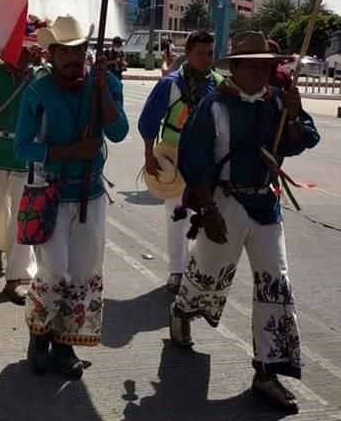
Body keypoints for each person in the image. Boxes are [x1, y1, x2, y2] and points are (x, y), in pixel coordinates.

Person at [170, 31, 320, 414]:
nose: (260, 71)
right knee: (208, 272)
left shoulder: (277, 103)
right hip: (223, 201)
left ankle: (267, 372)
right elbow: (195, 160)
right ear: (234, 67)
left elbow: (301, 141)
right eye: (252, 64)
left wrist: (296, 114)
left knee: (276, 284)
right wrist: (206, 211)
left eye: (266, 65)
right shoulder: (214, 106)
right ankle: (182, 312)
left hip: (266, 204)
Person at [14, 15, 129, 379]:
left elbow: (120, 130)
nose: (73, 58)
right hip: (49, 193)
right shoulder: (37, 90)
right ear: (51, 53)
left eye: (78, 50)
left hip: (91, 193)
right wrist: (70, 150)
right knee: (54, 270)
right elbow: (21, 148)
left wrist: (103, 94)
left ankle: (64, 344)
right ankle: (38, 335)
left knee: (83, 272)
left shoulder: (105, 82)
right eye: (64, 51)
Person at [137, 30, 222, 293]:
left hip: (207, 161)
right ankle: (176, 271)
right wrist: (149, 156)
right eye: (200, 54)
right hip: (174, 157)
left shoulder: (219, 84)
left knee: (205, 215)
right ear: (188, 54)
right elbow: (148, 121)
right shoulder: (171, 84)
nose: (206, 59)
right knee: (177, 214)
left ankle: (195, 270)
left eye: (210, 53)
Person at [0, 40, 41, 304]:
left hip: (25, 149)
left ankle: (16, 276)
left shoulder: (41, 76)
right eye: (15, 50)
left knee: (21, 213)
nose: (20, 56)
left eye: (25, 50)